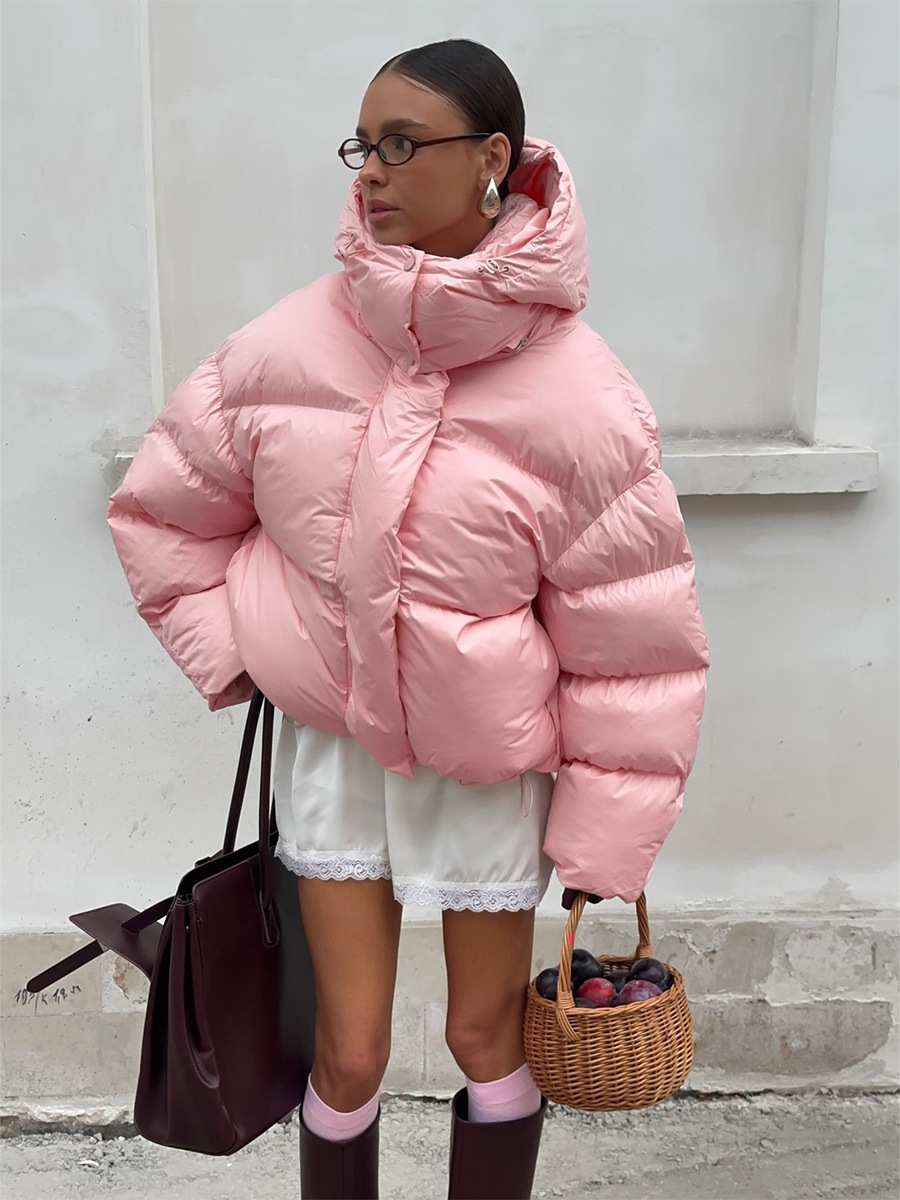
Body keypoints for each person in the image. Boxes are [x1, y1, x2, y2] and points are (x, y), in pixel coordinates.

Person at [107, 37, 710, 1200]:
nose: (372, 171)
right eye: (362, 145)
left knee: (487, 1041)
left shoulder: (583, 396)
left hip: (486, 766)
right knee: (347, 1051)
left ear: (493, 159)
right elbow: (163, 515)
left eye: (402, 143)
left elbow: (631, 645)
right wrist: (247, 655)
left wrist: (604, 839)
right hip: (336, 755)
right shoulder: (280, 349)